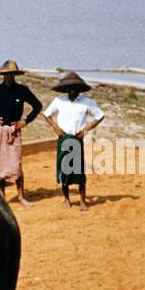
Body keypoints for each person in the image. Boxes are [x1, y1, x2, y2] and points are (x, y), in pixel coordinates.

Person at [0, 60, 42, 206]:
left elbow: (37, 106)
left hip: (14, 132)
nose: (9, 77)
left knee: (16, 164)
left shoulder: (22, 90)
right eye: (6, 74)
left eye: (11, 74)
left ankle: (20, 196)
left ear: (15, 75)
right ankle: (2, 196)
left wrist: (25, 121)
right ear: (2, 75)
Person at [42, 72, 104, 210]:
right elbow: (46, 114)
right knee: (64, 169)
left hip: (77, 138)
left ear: (79, 88)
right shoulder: (59, 101)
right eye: (69, 88)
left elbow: (100, 116)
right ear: (65, 88)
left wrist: (86, 130)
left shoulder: (87, 102)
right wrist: (55, 128)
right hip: (64, 138)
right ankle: (67, 199)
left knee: (79, 170)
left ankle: (82, 201)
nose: (72, 90)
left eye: (75, 87)